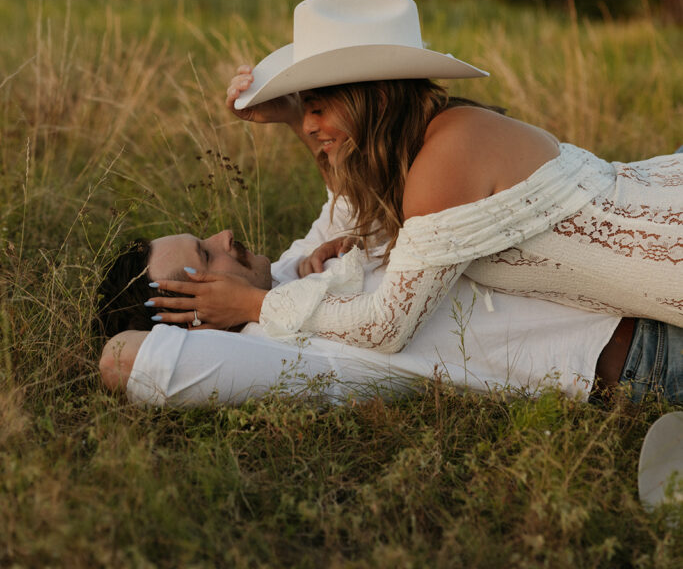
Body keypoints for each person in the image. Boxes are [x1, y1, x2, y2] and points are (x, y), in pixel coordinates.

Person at [143, 0, 682, 361]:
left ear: (377, 99)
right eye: (304, 108)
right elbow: (358, 196)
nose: (308, 125)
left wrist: (253, 305)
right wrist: (289, 117)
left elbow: (386, 327)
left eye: (317, 107)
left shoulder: (448, 157)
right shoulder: (436, 138)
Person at [97, 206, 683, 407]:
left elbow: (343, 189)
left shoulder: (289, 274)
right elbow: (123, 359)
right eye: (206, 254)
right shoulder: (277, 352)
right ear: (191, 312)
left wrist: (289, 111)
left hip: (624, 269)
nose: (225, 235)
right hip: (639, 345)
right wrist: (246, 308)